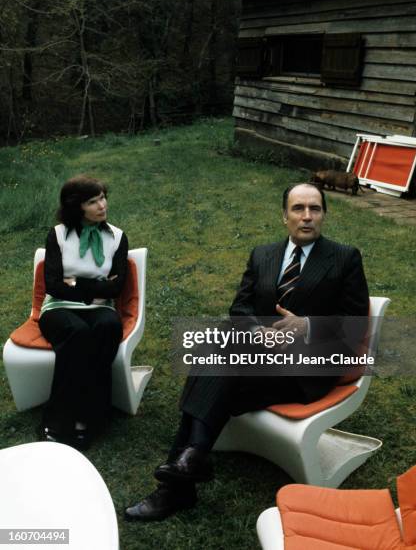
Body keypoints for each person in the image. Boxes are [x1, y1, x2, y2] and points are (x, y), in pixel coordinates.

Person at [125, 182, 369, 521]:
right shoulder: (263, 255)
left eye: (315, 209)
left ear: (324, 214)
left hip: (307, 367)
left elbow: (356, 325)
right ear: (284, 215)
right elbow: (240, 309)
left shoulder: (344, 258)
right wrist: (257, 332)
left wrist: (308, 326)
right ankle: (187, 467)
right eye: (299, 208)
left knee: (213, 365)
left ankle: (182, 474)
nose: (307, 216)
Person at [39, 175, 128, 449]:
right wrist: (97, 286)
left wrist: (77, 282)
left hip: (101, 309)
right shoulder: (58, 235)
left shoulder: (117, 237)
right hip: (58, 308)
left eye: (102, 197)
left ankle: (90, 418)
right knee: (77, 333)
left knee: (107, 327)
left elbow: (117, 288)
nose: (102, 205)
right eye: (93, 201)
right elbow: (53, 286)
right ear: (77, 206)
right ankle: (60, 420)